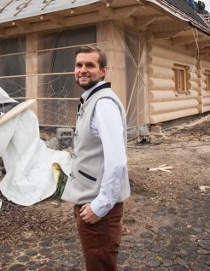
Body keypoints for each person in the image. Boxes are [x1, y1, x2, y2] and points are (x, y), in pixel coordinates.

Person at [62, 45, 131, 270]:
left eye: (90, 65)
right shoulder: (91, 100)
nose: (83, 70)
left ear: (103, 71)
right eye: (79, 65)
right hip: (88, 200)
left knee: (100, 265)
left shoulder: (103, 104)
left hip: (97, 207)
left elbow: (117, 161)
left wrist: (100, 206)